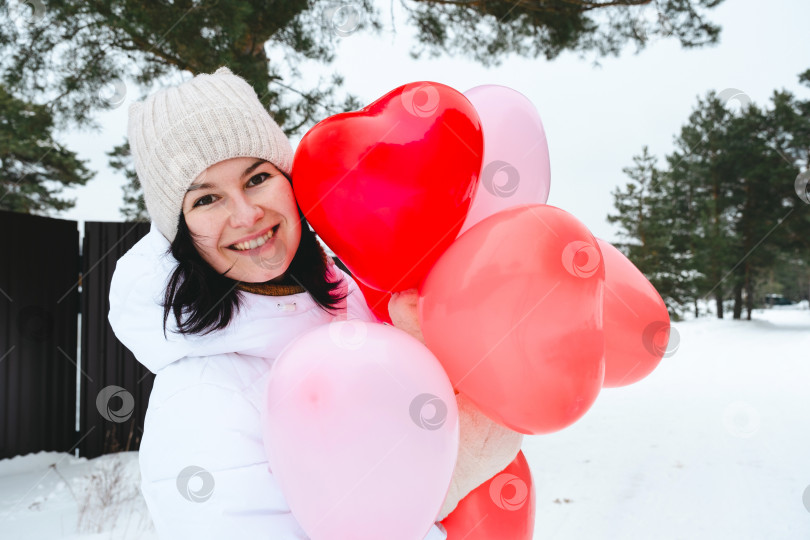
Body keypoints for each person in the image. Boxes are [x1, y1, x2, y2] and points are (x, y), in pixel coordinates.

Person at [108, 66, 520, 540]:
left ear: (290, 181)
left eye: (257, 177)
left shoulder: (357, 307)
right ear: (181, 234)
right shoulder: (199, 398)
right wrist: (448, 480)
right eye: (206, 200)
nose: (246, 214)